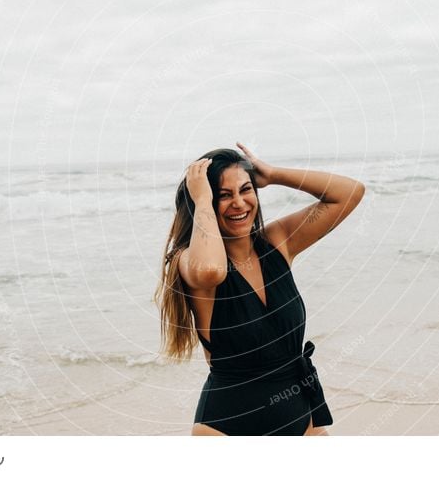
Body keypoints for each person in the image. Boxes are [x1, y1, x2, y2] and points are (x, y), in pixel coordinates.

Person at [154, 142, 365, 435]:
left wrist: (275, 174)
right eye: (223, 195)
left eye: (245, 189)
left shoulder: (278, 242)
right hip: (226, 428)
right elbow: (212, 270)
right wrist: (201, 199)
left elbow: (349, 193)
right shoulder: (188, 261)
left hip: (303, 418)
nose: (239, 203)